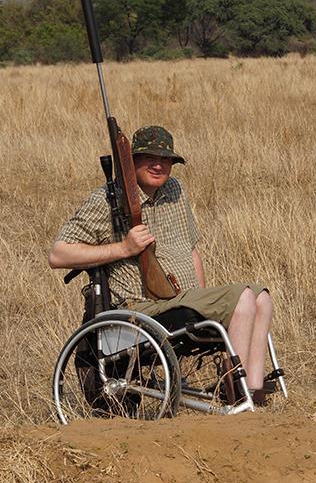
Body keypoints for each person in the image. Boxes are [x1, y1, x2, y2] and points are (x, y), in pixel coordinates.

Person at [48, 125, 274, 404]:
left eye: (166, 159)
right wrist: (124, 248)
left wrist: (201, 301)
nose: (159, 165)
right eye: (150, 158)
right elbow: (58, 254)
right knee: (243, 297)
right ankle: (238, 395)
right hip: (139, 309)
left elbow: (191, 251)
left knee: (261, 297)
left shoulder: (175, 190)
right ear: (131, 162)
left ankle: (255, 392)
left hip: (181, 301)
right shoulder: (106, 199)